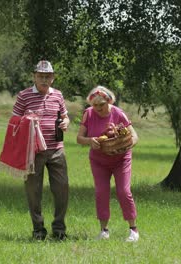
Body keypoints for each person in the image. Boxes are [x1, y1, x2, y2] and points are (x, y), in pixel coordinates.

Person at [12, 60, 70, 241]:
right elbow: (14, 121)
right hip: (32, 152)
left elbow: (65, 116)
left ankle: (59, 229)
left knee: (62, 188)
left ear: (52, 78)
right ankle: (38, 230)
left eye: (47, 76)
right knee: (33, 191)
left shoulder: (58, 95)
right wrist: (27, 122)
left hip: (56, 150)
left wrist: (66, 122)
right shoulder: (24, 95)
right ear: (34, 77)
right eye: (40, 76)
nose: (44, 80)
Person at [76, 85, 140, 242]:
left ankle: (133, 230)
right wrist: (90, 141)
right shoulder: (88, 114)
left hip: (121, 159)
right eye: (95, 105)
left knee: (124, 192)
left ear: (108, 101)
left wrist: (124, 145)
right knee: (101, 193)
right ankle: (104, 231)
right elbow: (79, 138)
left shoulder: (118, 113)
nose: (98, 108)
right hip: (99, 161)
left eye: (101, 105)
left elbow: (134, 136)